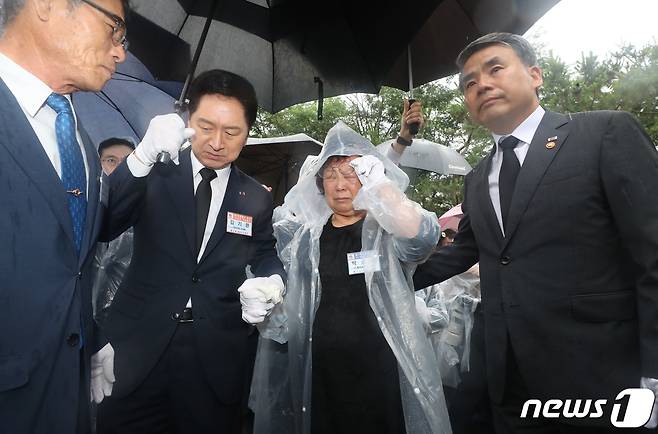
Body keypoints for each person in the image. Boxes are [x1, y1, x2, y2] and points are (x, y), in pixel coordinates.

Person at [413, 32, 658, 433]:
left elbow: (653, 254)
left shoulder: (603, 134)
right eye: (469, 83)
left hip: (602, 370)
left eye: (494, 69)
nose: (482, 85)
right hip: (510, 378)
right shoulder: (477, 178)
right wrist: (389, 275)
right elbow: (467, 250)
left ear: (535, 75)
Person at [96, 69, 285, 434]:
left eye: (232, 132)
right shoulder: (155, 168)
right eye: (206, 126)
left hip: (215, 357)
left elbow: (265, 253)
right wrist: (141, 157)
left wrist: (273, 279)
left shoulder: (256, 197)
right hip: (137, 347)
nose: (217, 141)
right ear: (186, 119)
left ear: (248, 133)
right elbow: (105, 223)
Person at [250, 121, 452, 434]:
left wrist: (381, 187)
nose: (340, 185)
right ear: (319, 185)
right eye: (330, 176)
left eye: (350, 174)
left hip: (383, 374)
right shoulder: (306, 240)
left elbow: (423, 238)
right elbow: (289, 314)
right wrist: (265, 300)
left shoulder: (386, 232)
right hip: (321, 374)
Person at [0, 1, 128, 433]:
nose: (120, 52)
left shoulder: (78, 138)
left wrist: (88, 334)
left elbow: (65, 266)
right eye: (114, 29)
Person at [92, 137, 135, 323]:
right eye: (111, 160)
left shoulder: (147, 211)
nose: (119, 168)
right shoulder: (85, 207)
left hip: (129, 320)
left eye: (127, 162)